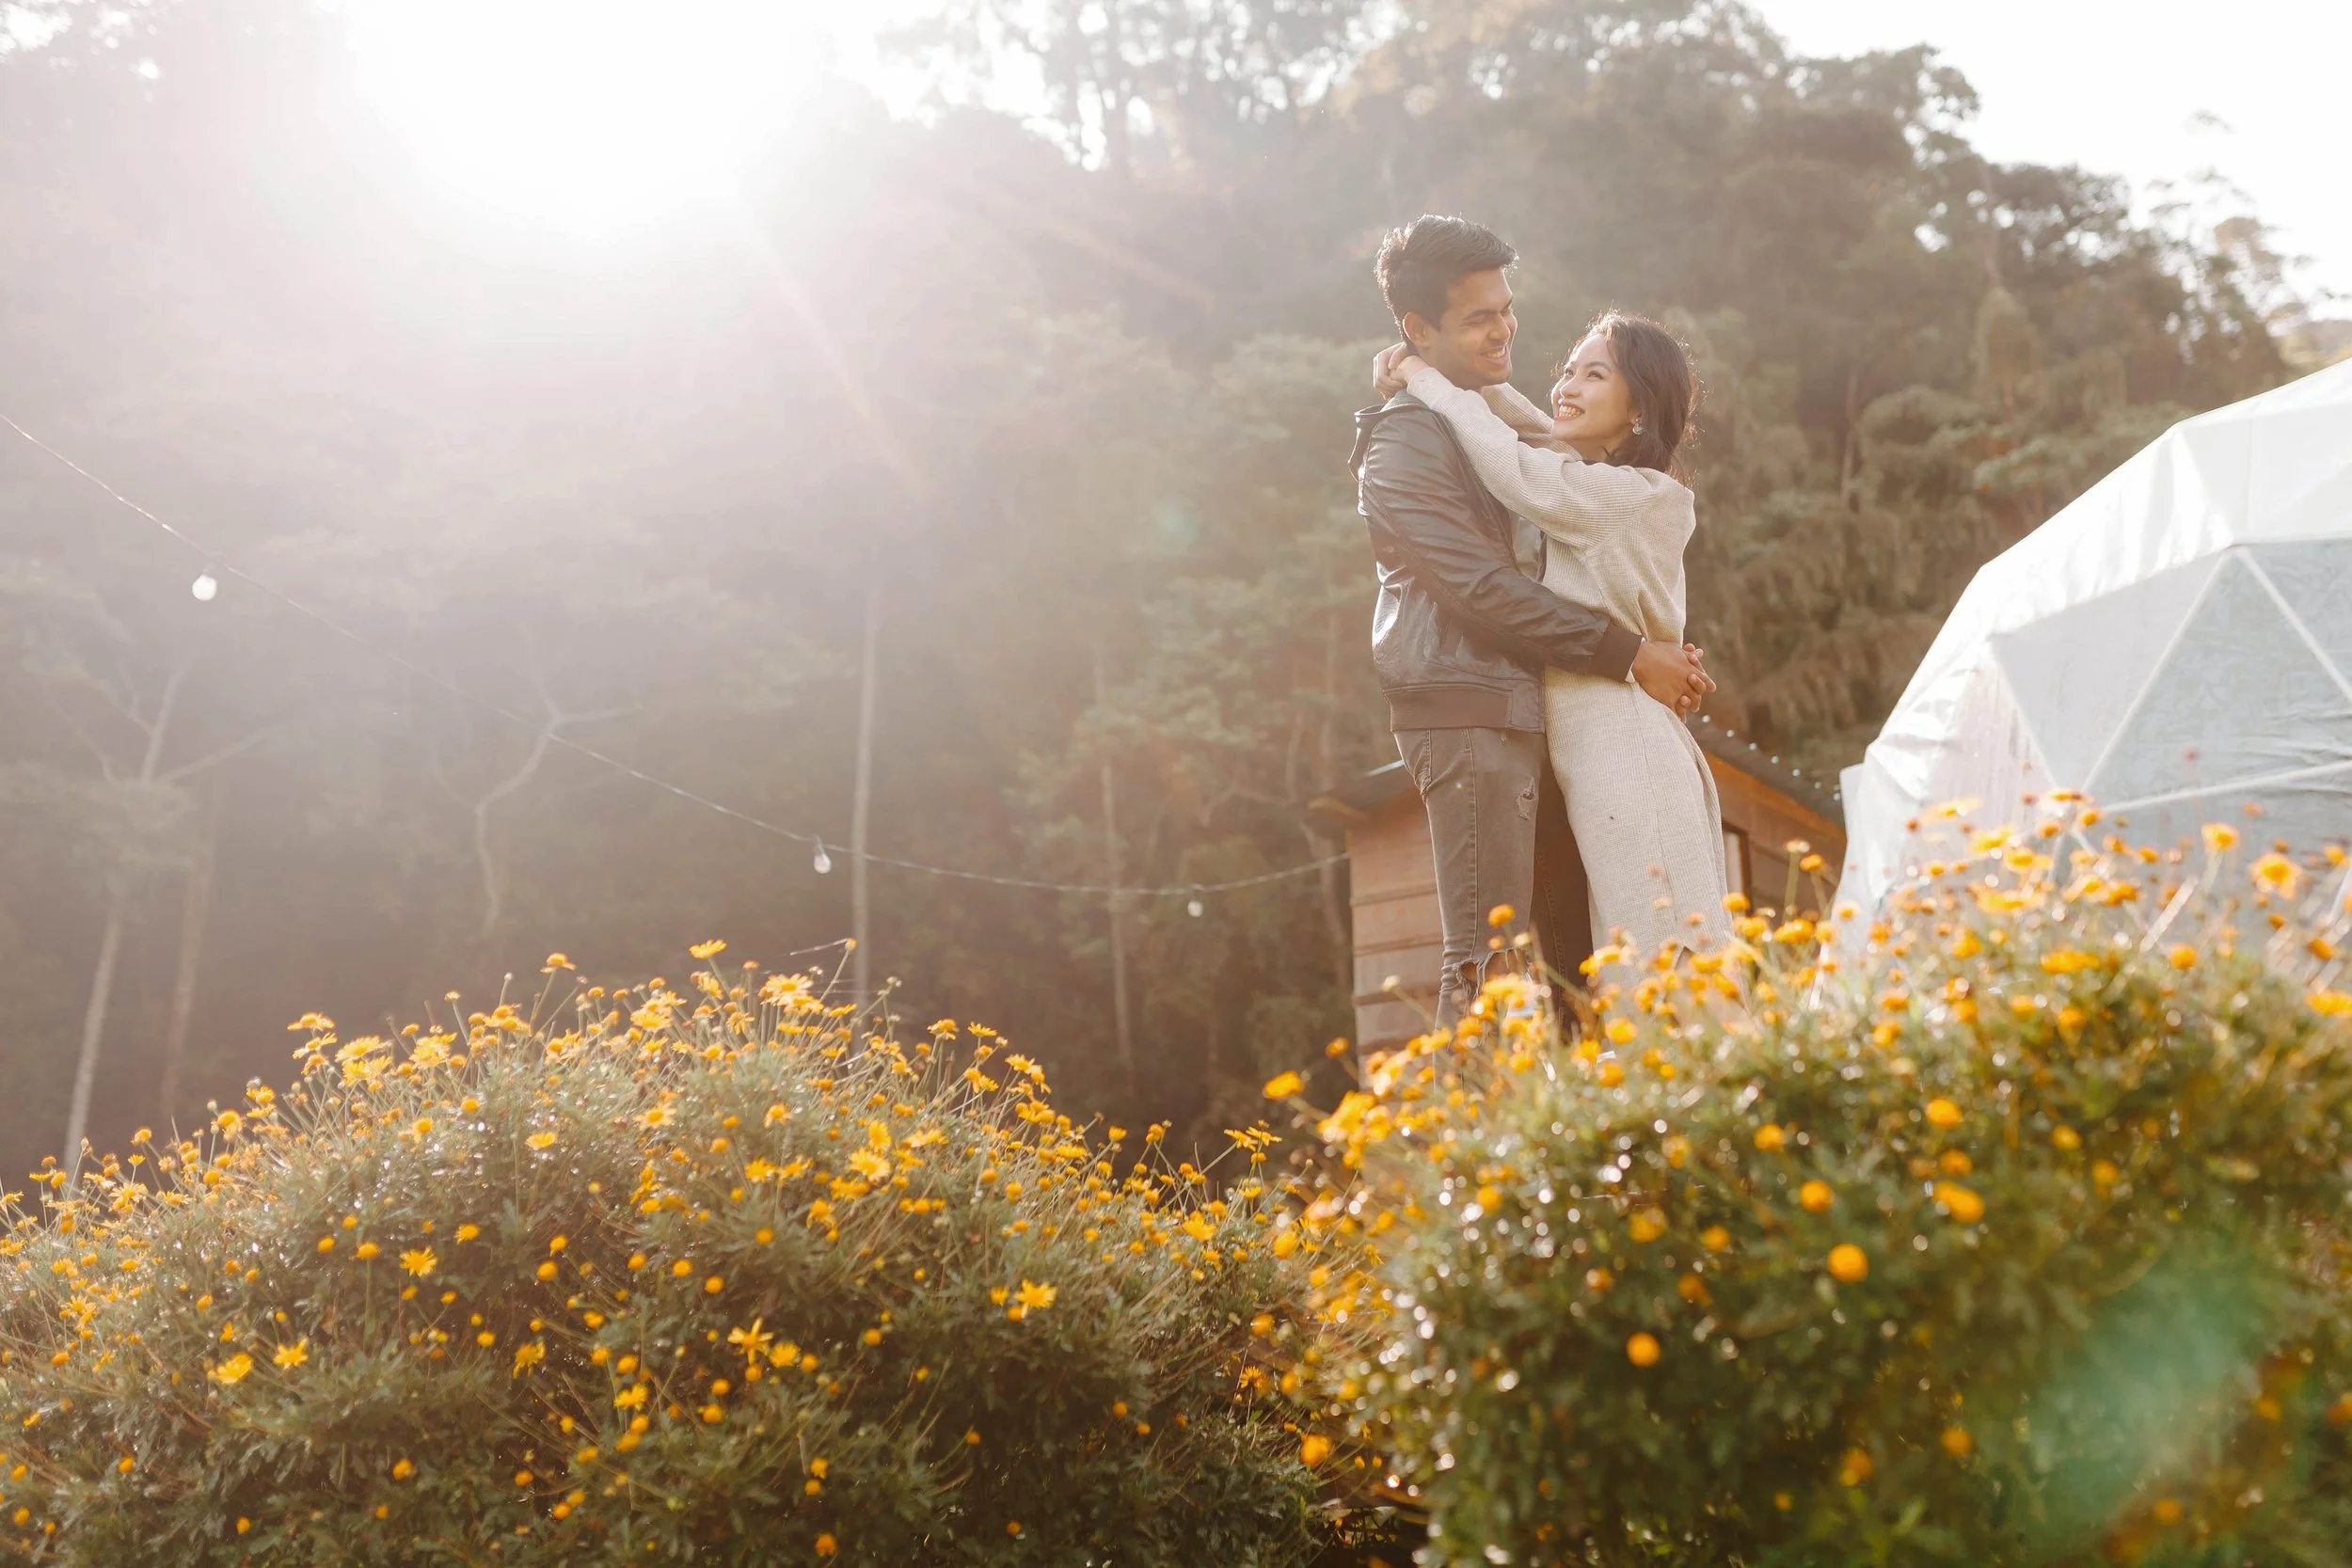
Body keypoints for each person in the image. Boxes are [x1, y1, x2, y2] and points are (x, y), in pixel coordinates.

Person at [1352, 215, 1711, 1022]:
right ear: (1420, 326)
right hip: (1510, 709)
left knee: (1640, 958)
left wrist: (1429, 376)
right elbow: (1481, 577)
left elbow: (1522, 454)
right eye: (1480, 318)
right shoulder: (1411, 442)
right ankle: (1506, 1142)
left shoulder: (1618, 493)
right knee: (1518, 959)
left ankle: (1672, 1118)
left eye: (1506, 309)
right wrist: (1632, 650)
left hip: (1604, 722)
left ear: (1638, 413)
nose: (1505, 329)